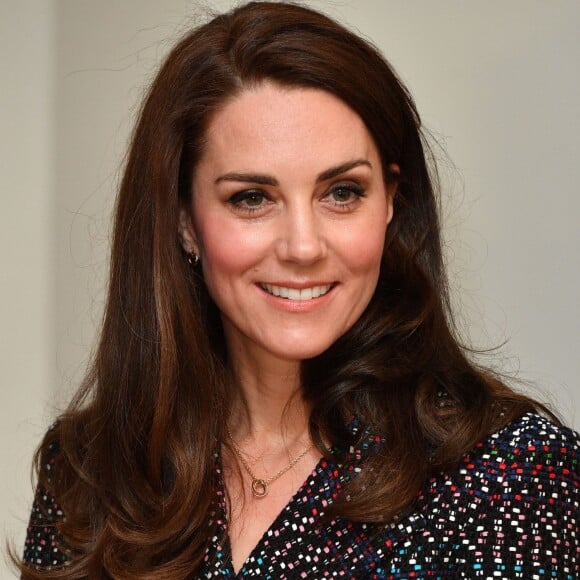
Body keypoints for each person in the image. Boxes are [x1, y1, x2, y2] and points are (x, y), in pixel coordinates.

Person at [18, 2, 579, 578]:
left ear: (390, 201)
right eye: (251, 198)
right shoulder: (88, 470)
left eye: (341, 192)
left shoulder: (513, 473)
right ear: (185, 221)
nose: (304, 247)